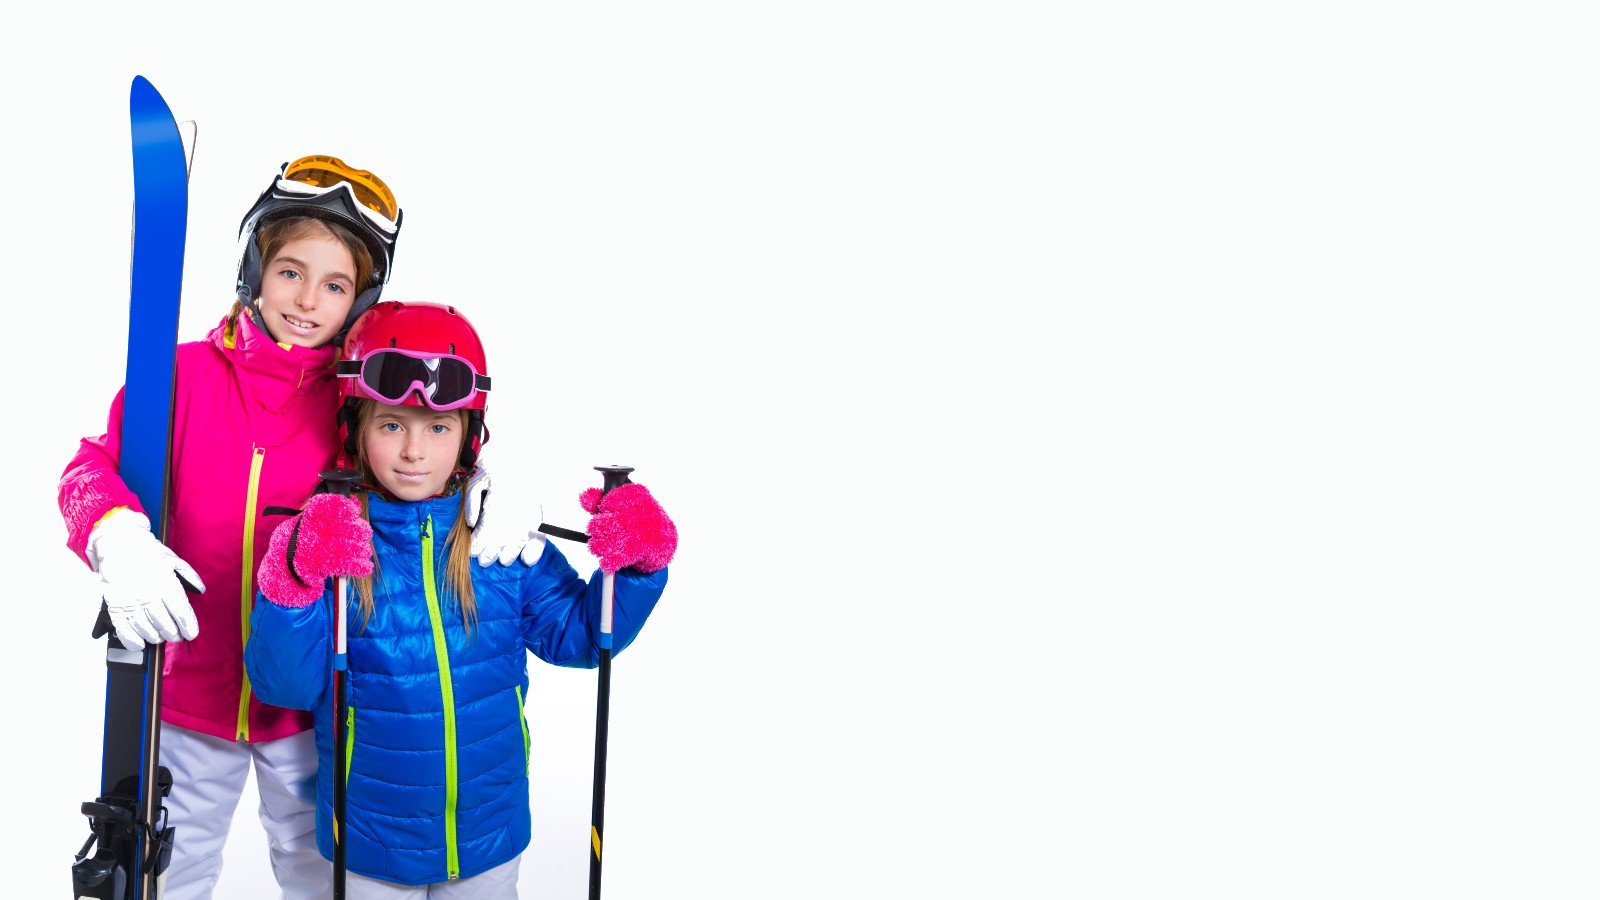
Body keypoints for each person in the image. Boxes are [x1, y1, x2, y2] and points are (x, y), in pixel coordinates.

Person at [59, 158, 541, 900]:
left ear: (362, 298)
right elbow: (91, 469)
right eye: (290, 272)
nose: (309, 300)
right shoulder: (180, 378)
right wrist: (114, 533)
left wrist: (484, 479)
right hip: (186, 696)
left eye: (337, 285)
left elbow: (421, 458)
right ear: (255, 268)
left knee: (326, 880)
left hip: (314, 709)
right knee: (172, 875)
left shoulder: (358, 403)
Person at [243, 300, 676, 897]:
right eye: (391, 425)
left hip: (488, 837)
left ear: (469, 436)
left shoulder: (498, 541)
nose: (415, 451)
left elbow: (583, 637)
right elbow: (284, 687)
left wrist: (637, 567)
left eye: (438, 428)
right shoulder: (334, 543)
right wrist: (294, 576)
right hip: (372, 846)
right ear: (356, 427)